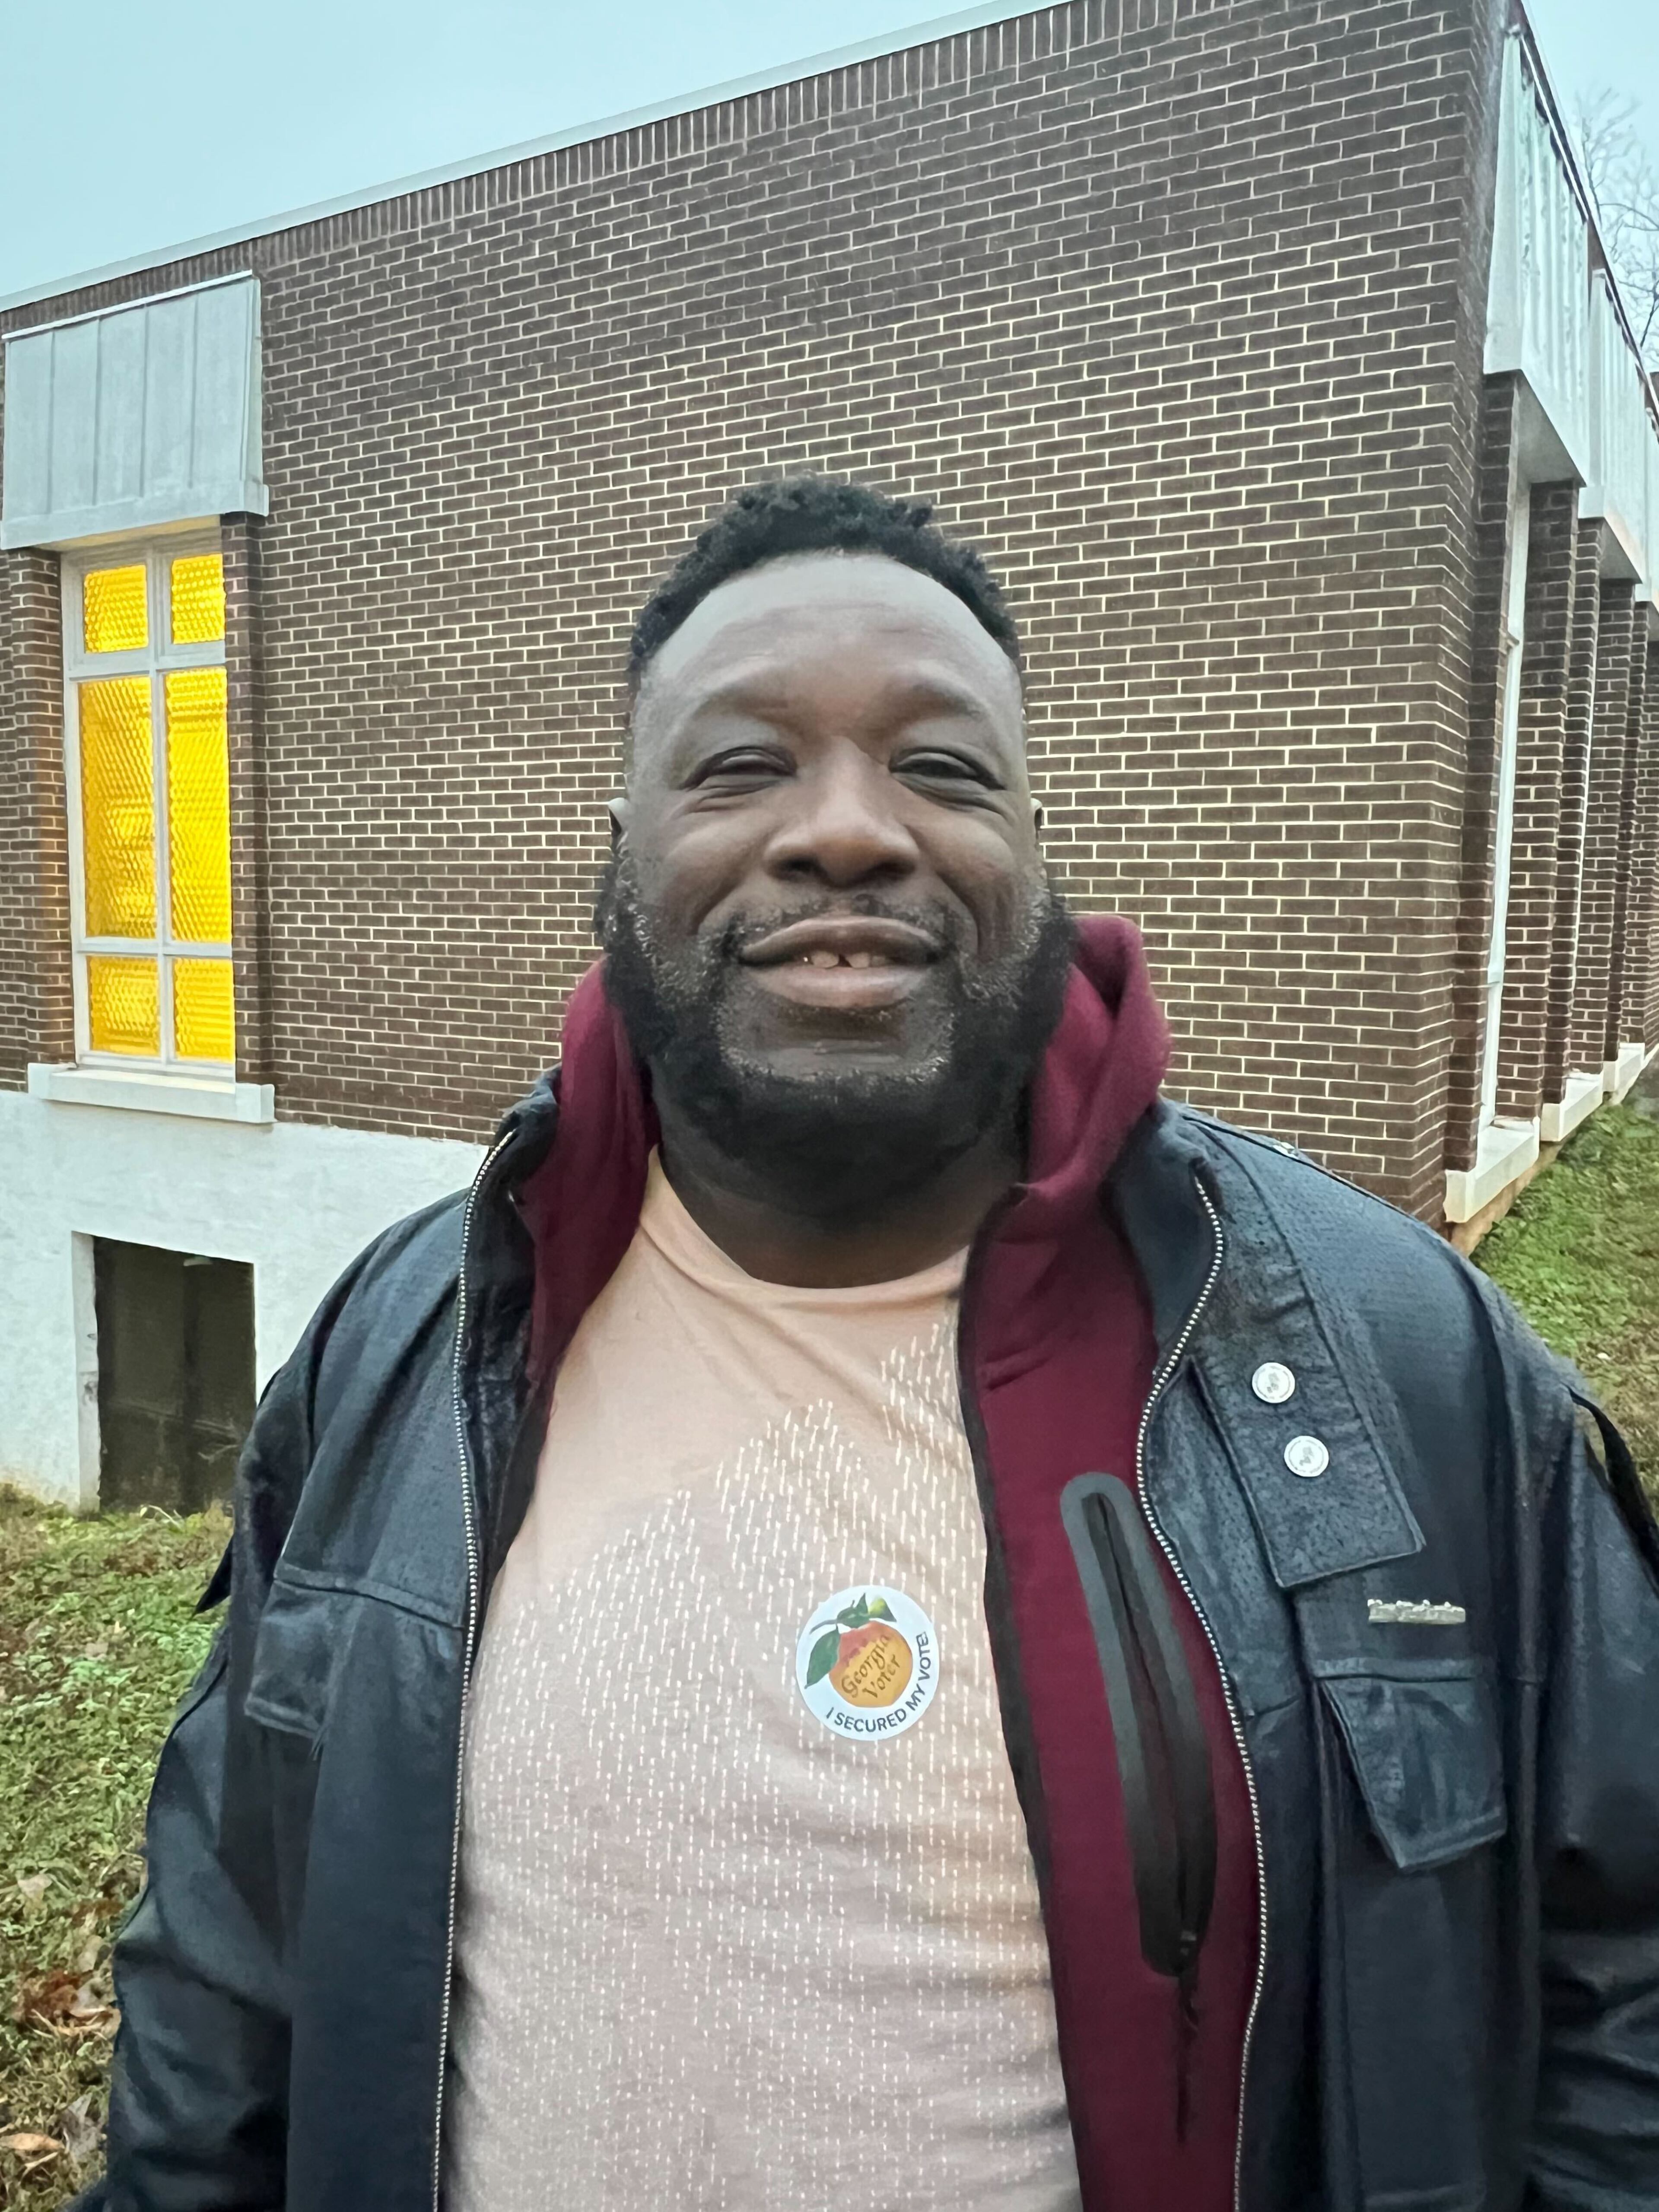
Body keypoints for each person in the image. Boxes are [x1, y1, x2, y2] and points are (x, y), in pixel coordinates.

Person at [76, 479, 1659, 2212]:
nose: (847, 828)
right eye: (743, 762)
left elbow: (1623, 1977)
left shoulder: (1400, 1365)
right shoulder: (408, 1334)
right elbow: (230, 1962)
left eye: (943, 765)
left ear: (1037, 847)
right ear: (623, 847)